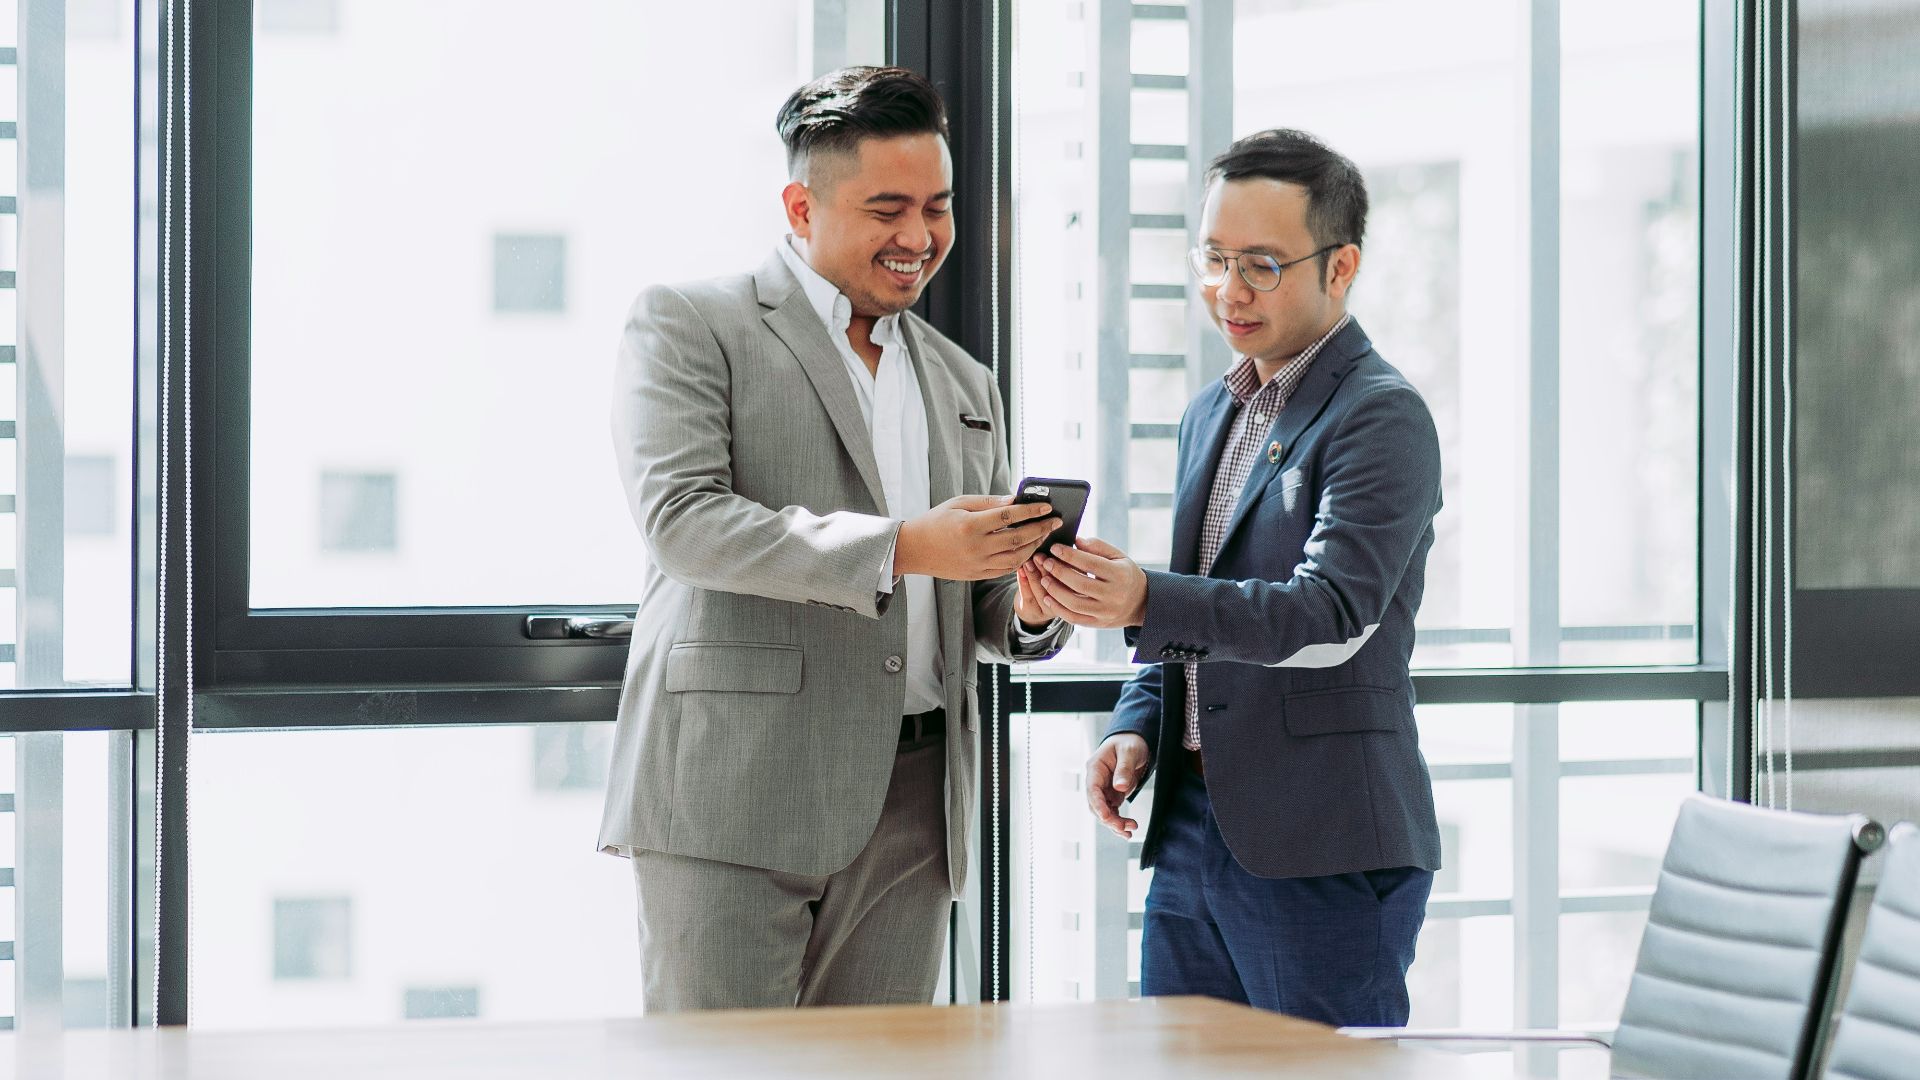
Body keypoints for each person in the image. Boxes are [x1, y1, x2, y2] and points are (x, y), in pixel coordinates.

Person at [598, 66, 1071, 1012]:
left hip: (919, 805)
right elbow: (684, 524)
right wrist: (900, 546)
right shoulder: (693, 324)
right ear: (800, 206)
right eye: (887, 208)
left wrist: (1024, 604)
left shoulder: (965, 381)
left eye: (937, 207)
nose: (920, 237)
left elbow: (965, 597)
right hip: (735, 788)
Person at [1022, 128, 1442, 1026]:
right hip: (1190, 828)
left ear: (1342, 267)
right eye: (1213, 258)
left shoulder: (1381, 417)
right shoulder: (1213, 410)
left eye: (1260, 263)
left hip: (1319, 841)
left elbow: (1329, 614)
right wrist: (1138, 724)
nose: (1228, 290)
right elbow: (1201, 601)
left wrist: (1141, 596)